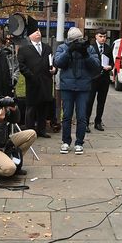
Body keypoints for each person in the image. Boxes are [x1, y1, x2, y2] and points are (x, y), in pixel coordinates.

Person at [53, 27, 100, 155]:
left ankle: (79, 142)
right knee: (67, 115)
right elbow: (57, 62)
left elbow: (96, 66)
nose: (78, 42)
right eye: (76, 40)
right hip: (67, 87)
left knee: (82, 116)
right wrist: (69, 50)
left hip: (83, 87)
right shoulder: (63, 47)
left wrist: (86, 54)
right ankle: (66, 142)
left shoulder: (88, 48)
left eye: (80, 39)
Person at [18, 29, 56, 138]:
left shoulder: (47, 48)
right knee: (31, 108)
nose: (38, 32)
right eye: (35, 31)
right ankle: (30, 131)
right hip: (32, 83)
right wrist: (31, 76)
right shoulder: (24, 49)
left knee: (43, 108)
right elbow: (22, 66)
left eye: (39, 31)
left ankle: (41, 130)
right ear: (29, 36)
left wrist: (54, 69)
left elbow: (52, 63)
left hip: (46, 82)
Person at [86, 28, 113, 131]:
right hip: (93, 79)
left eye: (105, 36)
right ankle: (86, 123)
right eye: (101, 36)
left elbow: (112, 62)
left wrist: (110, 67)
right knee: (89, 101)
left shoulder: (108, 48)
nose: (103, 38)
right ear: (96, 36)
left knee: (101, 101)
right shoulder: (90, 48)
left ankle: (98, 122)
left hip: (104, 79)